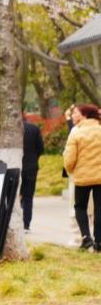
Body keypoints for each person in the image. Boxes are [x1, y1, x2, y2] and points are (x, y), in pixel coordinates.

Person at [63, 104, 101, 251]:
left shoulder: (76, 133)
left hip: (82, 178)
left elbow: (69, 160)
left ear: (84, 115)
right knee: (99, 208)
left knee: (80, 207)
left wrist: (71, 170)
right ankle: (99, 242)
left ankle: (86, 238)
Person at [20, 115, 45, 231]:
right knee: (28, 196)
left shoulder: (10, 130)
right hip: (31, 166)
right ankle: (26, 224)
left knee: (13, 195)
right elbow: (41, 148)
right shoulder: (34, 128)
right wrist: (34, 158)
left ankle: (14, 222)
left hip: (15, 167)